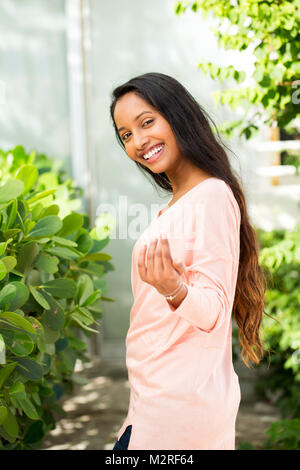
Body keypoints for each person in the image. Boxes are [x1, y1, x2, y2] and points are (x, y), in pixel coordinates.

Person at [109, 72, 268, 450]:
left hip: (177, 413)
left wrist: (174, 288)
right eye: (126, 134)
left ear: (178, 116)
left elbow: (213, 311)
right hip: (155, 404)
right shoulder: (181, 205)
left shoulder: (211, 196)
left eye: (147, 122)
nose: (138, 141)